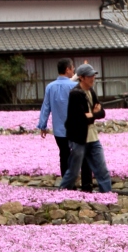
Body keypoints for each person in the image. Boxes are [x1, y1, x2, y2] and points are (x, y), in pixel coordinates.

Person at [38, 58, 93, 192]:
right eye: (72, 68)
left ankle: (68, 186)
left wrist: (43, 125)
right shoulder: (75, 87)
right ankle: (86, 185)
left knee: (64, 156)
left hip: (59, 130)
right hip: (76, 129)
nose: (73, 70)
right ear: (68, 69)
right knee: (84, 156)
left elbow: (46, 107)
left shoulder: (50, 87)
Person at [59, 64, 111, 193]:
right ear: (81, 78)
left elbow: (102, 112)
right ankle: (61, 193)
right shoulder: (75, 94)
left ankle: (108, 196)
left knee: (102, 169)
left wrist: (92, 114)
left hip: (92, 136)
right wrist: (94, 114)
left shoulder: (91, 91)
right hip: (79, 138)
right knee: (74, 171)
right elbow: (80, 118)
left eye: (93, 75)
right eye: (90, 76)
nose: (93, 78)